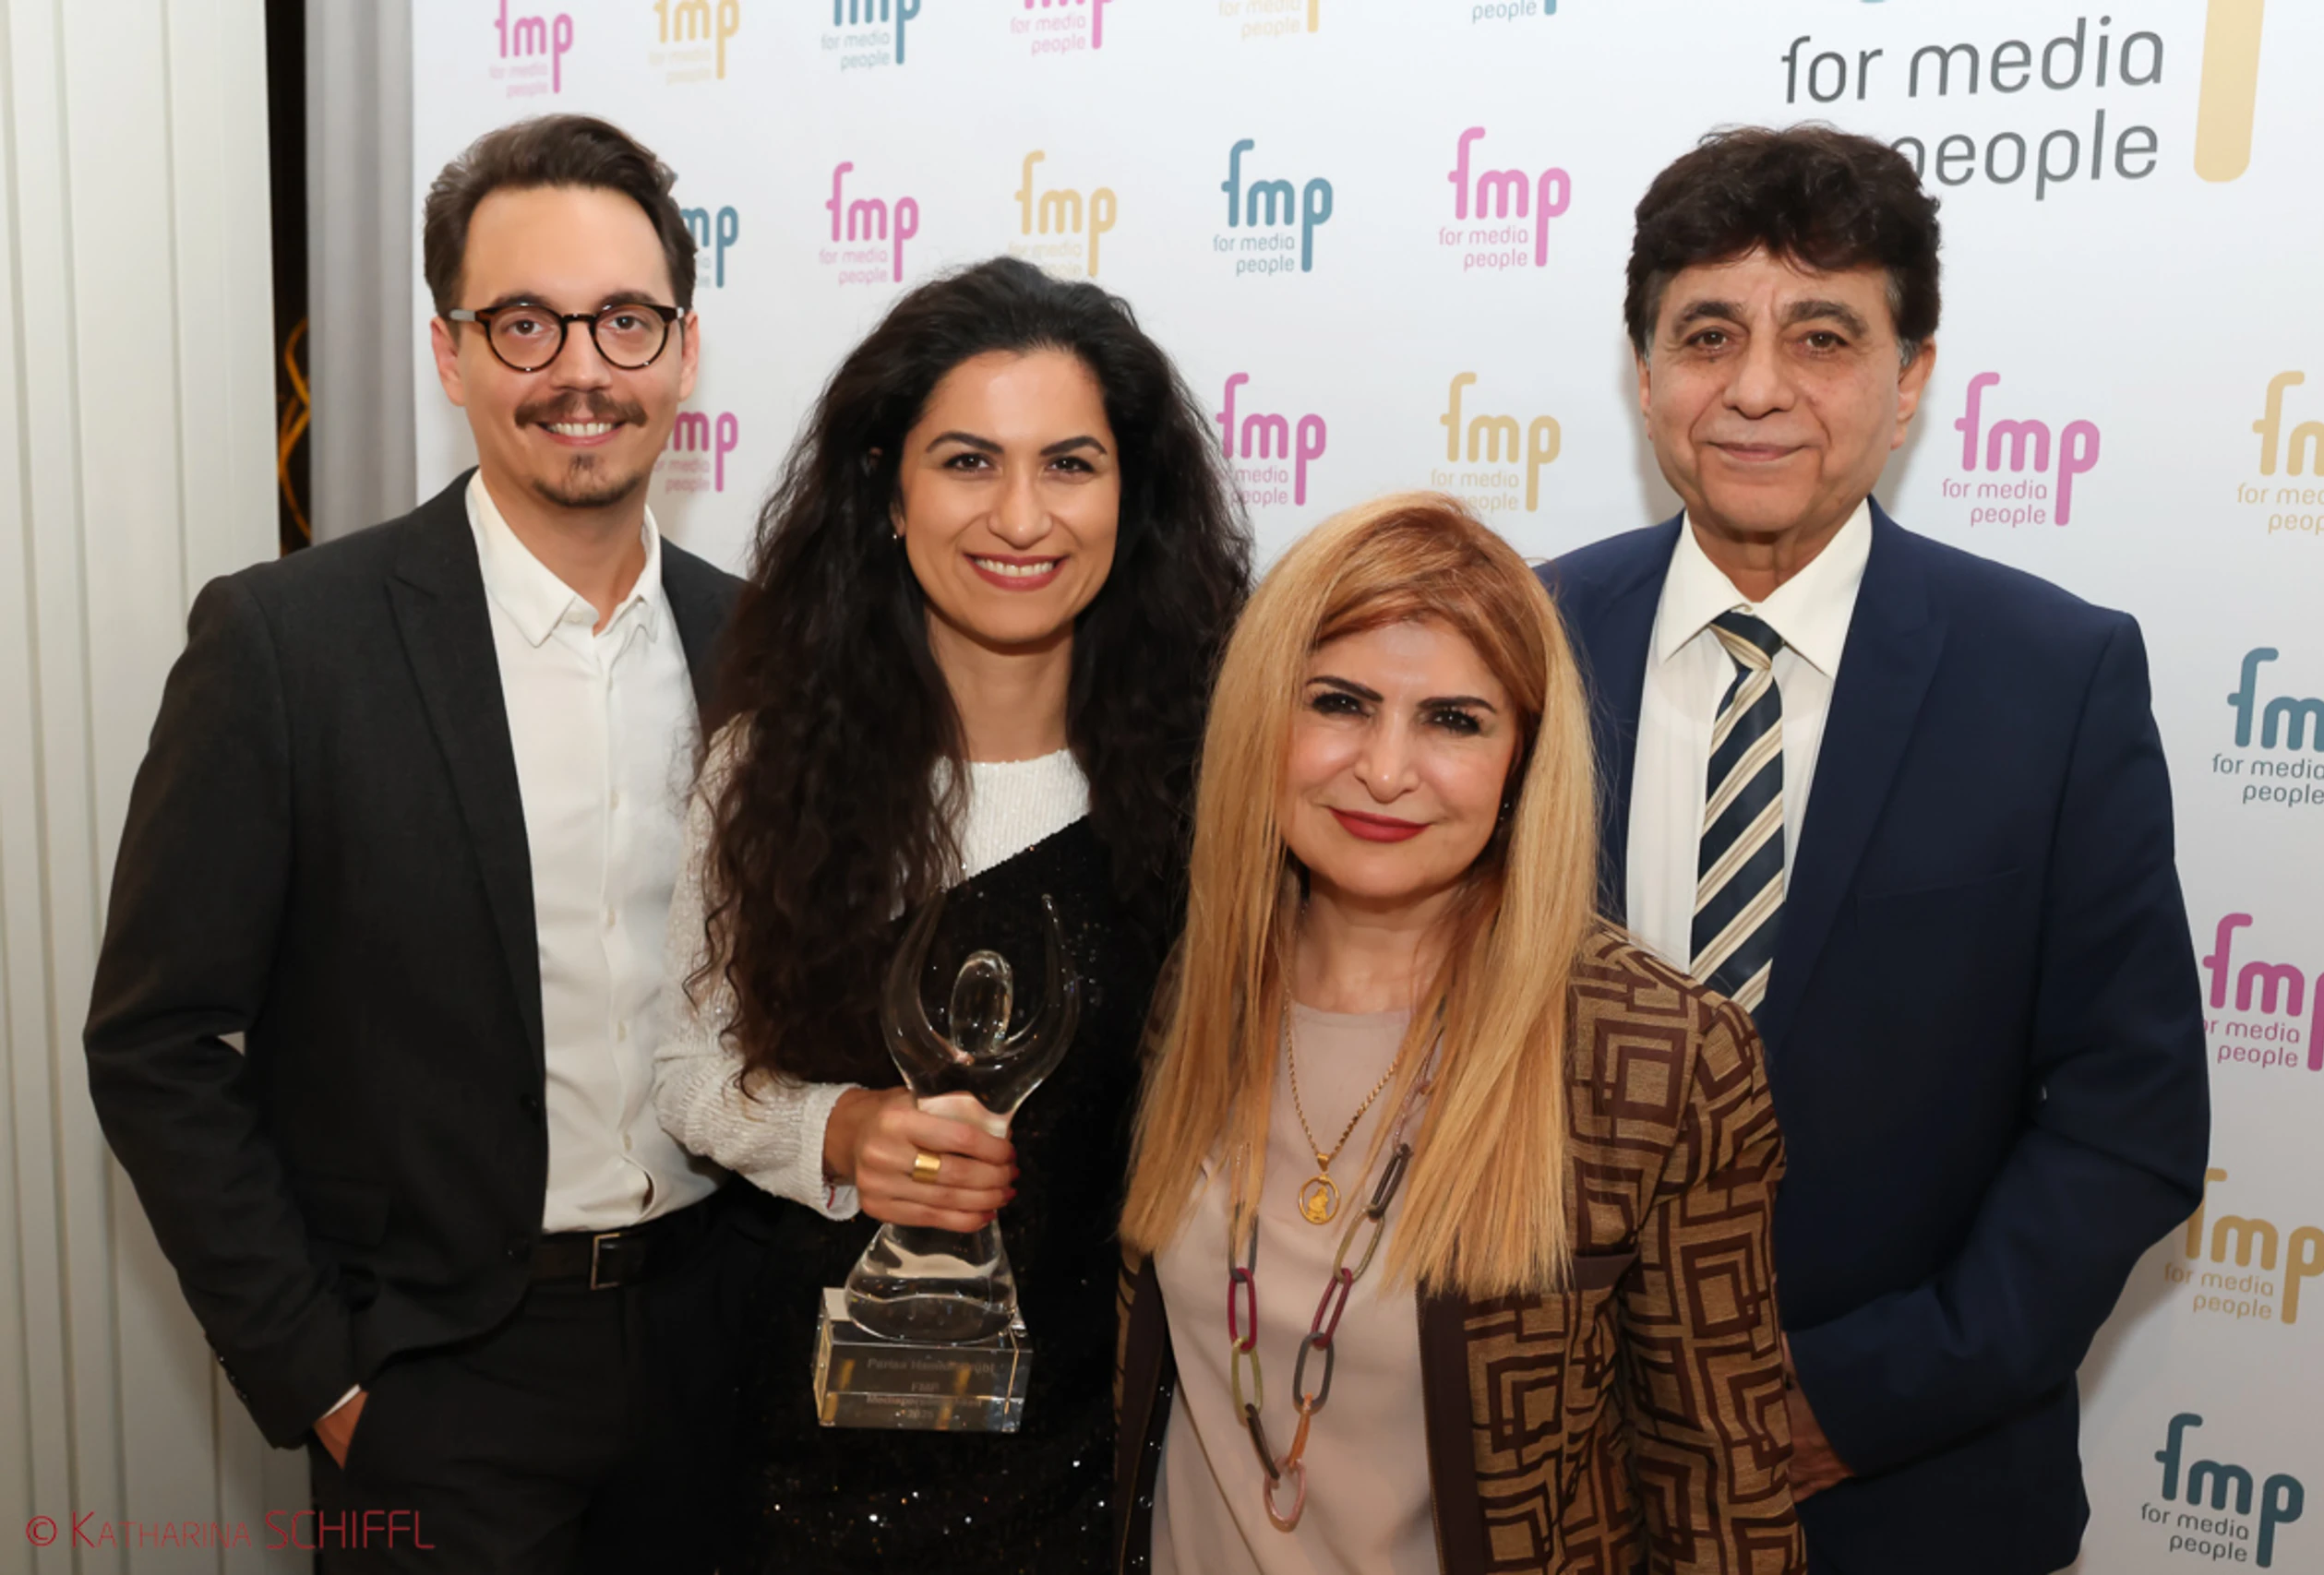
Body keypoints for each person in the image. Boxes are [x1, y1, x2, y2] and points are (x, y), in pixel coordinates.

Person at [82, 114, 752, 1571]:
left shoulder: (759, 643)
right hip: (437, 1385)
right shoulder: (286, 646)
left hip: (718, 1366)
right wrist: (321, 1376)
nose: (581, 368)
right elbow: (154, 1040)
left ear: (684, 350)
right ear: (450, 354)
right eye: (524, 323)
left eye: (625, 320)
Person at [1539, 126, 2210, 1574]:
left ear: (1909, 381)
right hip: (1550, 1480)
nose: (1757, 386)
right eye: (1706, 335)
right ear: (1644, 374)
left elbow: (2129, 1115)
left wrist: (1845, 1404)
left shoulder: (2056, 677)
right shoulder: (1515, 646)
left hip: (1910, 1492)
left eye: (1823, 336)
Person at [652, 255, 1253, 1571]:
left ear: (1132, 495)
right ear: (888, 489)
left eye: (1070, 464)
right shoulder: (769, 767)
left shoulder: (1219, 784)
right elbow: (688, 1067)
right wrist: (834, 1127)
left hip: (1107, 1452)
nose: (1021, 516)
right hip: (801, 1454)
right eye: (969, 461)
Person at [1117, 494, 1803, 1573]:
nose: (1386, 771)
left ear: (1522, 760)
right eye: (1338, 703)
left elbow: (1722, 1500)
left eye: (1453, 721)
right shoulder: (1195, 985)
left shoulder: (1657, 1055)